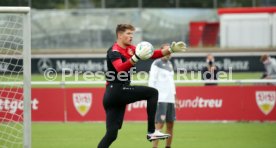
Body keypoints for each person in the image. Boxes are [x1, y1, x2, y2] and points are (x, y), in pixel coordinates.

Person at [97, 24, 186, 148]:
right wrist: (136, 58)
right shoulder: (114, 50)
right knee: (153, 93)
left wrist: (171, 49)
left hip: (113, 96)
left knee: (112, 134)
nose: (131, 36)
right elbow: (120, 69)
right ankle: (151, 131)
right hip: (116, 91)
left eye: (132, 34)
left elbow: (154, 54)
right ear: (119, 35)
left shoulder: (131, 49)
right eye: (128, 34)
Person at [148, 44, 179, 148]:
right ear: (161, 51)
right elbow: (152, 81)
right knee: (159, 126)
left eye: (170, 51)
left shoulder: (170, 64)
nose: (169, 53)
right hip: (161, 99)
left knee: (170, 125)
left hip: (170, 100)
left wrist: (175, 97)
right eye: (167, 50)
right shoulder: (156, 63)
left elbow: (171, 83)